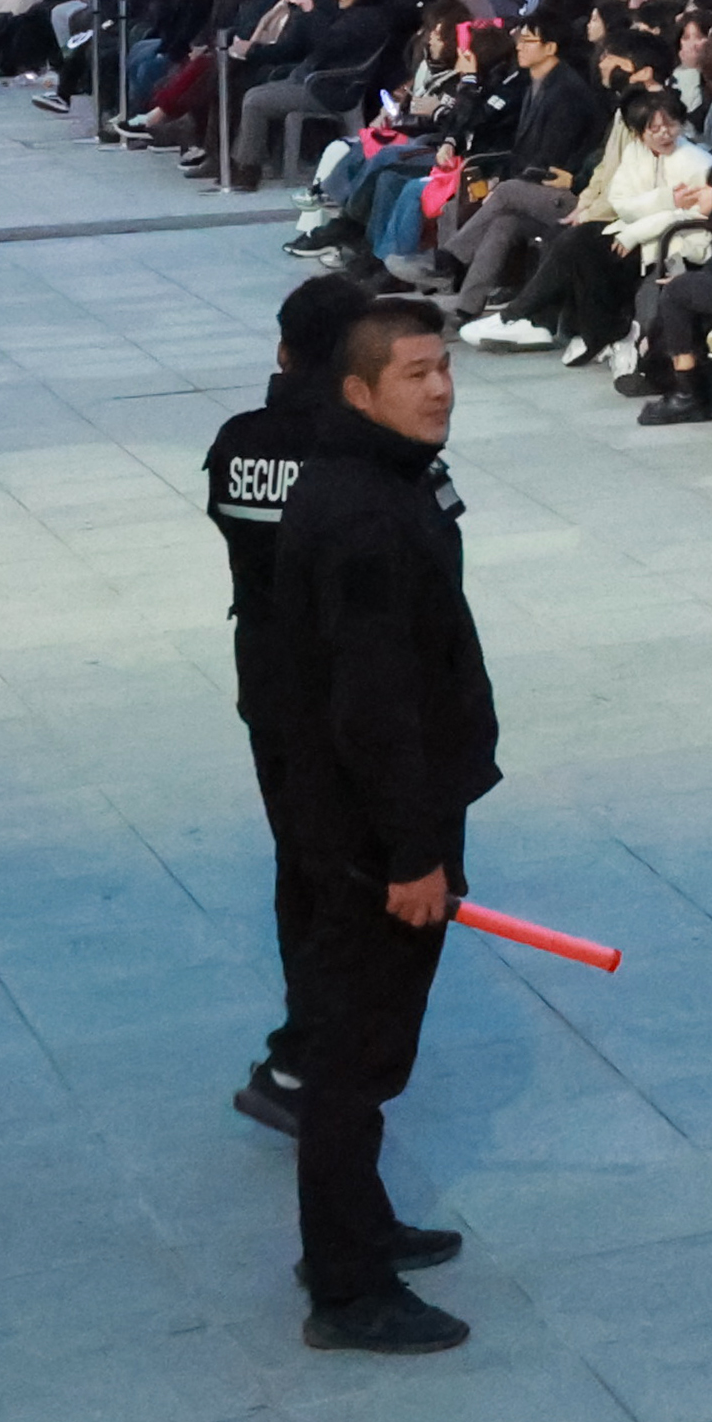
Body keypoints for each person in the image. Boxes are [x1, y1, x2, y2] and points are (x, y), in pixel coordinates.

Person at [238, 297, 494, 1355]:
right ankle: (344, 1287)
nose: (437, 388)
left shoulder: (379, 480)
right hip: (365, 838)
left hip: (361, 821)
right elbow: (372, 705)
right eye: (413, 374)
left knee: (368, 1051)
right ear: (356, 391)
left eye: (443, 368)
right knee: (353, 1058)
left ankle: (361, 1228)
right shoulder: (362, 514)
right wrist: (409, 856)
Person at [206, 273, 385, 1143]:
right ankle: (311, 1053)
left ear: (282, 352)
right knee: (349, 883)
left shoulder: (239, 442)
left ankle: (303, 1041)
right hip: (347, 704)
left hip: (270, 691)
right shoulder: (363, 455)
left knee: (299, 864)